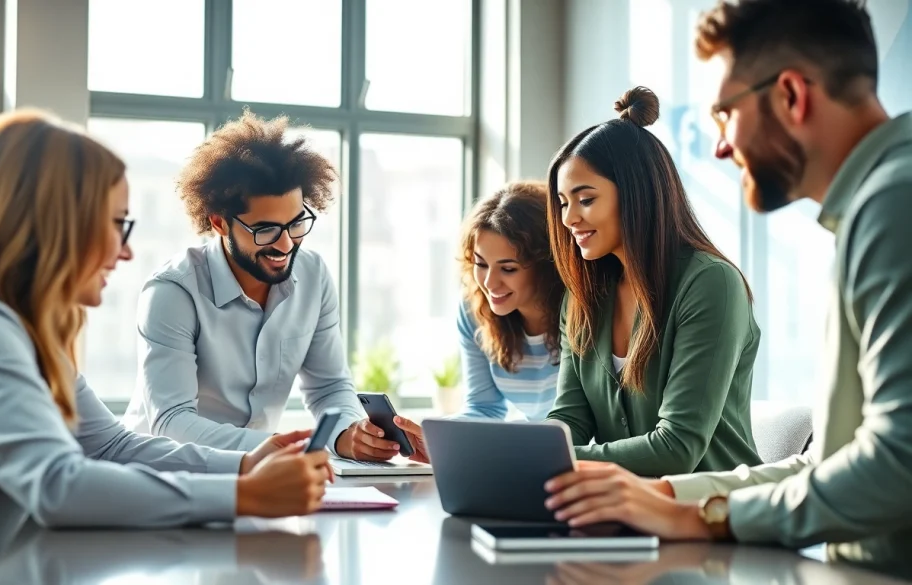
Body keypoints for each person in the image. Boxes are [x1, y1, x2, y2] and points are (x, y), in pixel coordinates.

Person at [542, 0, 912, 579]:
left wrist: (706, 517)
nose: (719, 146)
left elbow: (898, 464)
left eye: (726, 114)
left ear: (791, 95)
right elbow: (827, 464)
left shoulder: (894, 208)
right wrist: (675, 498)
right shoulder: (873, 209)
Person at [0, 111, 332, 577]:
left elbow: (109, 446)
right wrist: (247, 496)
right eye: (118, 223)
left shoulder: (24, 334)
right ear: (56, 224)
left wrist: (245, 464)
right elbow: (59, 487)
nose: (126, 251)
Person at [121, 111, 393, 462]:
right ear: (219, 222)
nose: (285, 245)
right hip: (165, 476)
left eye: (296, 224)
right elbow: (172, 421)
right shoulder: (172, 292)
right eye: (265, 230)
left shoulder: (313, 276)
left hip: (259, 477)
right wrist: (278, 447)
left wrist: (348, 434)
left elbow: (330, 388)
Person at [543, 86, 763, 477]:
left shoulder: (712, 285)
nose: (568, 219)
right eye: (563, 203)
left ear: (635, 193)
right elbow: (568, 423)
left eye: (586, 199)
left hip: (715, 519)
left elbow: (677, 448)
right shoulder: (581, 300)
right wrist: (500, 452)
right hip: (627, 513)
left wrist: (544, 459)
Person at [392, 182, 565, 462]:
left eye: (508, 268)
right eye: (481, 263)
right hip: (531, 457)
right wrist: (438, 438)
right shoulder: (474, 312)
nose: (488, 282)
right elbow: (485, 408)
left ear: (546, 265)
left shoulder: (579, 314)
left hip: (579, 460)